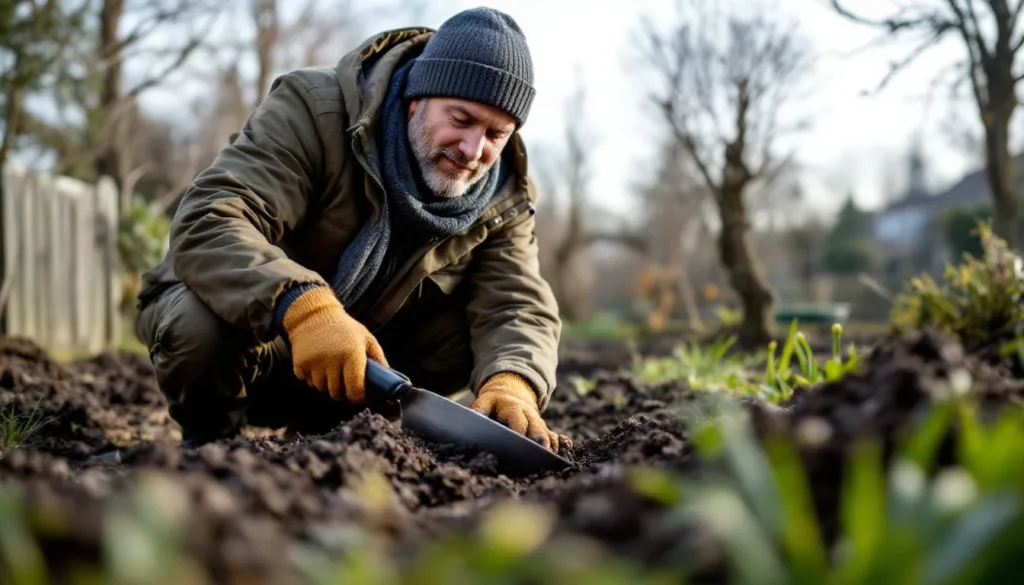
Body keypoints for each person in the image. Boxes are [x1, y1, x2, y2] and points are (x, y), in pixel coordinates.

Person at [134, 7, 569, 452]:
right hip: (263, 351)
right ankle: (210, 443)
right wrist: (305, 308)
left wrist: (514, 382)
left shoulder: (504, 192)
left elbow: (516, 300)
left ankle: (343, 438)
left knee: (478, 338)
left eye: (496, 134)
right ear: (415, 98)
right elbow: (210, 217)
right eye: (460, 119)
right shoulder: (313, 108)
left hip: (360, 376)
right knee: (195, 323)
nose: (473, 149)